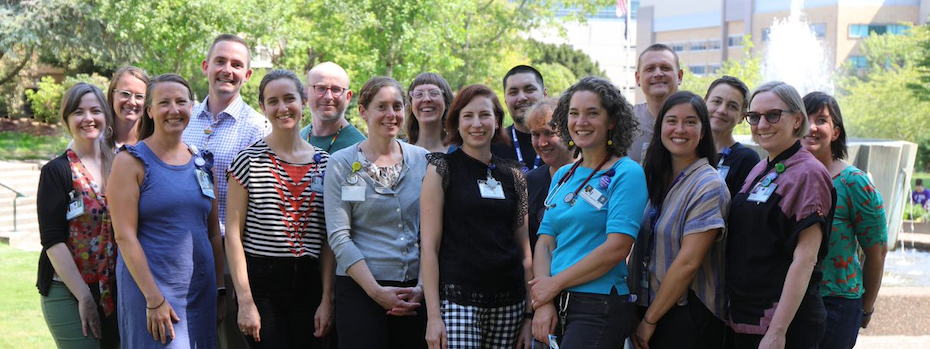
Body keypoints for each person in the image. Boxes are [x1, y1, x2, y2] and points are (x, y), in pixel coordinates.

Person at [530, 76, 648, 348]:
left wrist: (553, 284)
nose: (580, 122)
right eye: (574, 113)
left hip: (599, 306)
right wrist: (545, 300)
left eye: (592, 113)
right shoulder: (563, 174)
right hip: (556, 301)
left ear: (612, 121)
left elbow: (617, 248)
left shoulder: (627, 173)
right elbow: (545, 242)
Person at [109, 73, 225, 348]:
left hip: (199, 294)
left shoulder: (202, 163)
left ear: (191, 108)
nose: (174, 110)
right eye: (164, 103)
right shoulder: (131, 161)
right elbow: (125, 237)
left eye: (181, 102)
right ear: (149, 110)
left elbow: (212, 233)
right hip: (152, 294)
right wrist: (154, 299)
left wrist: (219, 291)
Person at [224, 70, 335, 348]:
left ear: (304, 101)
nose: (282, 108)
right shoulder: (247, 161)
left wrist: (326, 298)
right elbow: (234, 237)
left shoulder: (326, 164)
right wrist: (245, 301)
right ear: (262, 107)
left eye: (289, 99)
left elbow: (328, 239)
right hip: (262, 288)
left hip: (310, 288)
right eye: (273, 101)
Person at [421, 84, 534, 349]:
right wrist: (433, 317)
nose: (477, 124)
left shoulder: (515, 175)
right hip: (459, 302)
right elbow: (429, 248)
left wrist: (529, 315)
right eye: (468, 116)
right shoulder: (440, 169)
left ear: (496, 121)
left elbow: (525, 252)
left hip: (511, 303)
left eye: (484, 115)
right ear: (456, 122)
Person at [726, 81, 835, 349]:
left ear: (797, 120)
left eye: (773, 115)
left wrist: (777, 332)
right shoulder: (763, 166)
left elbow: (805, 260)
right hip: (745, 318)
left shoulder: (808, 173)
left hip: (783, 327)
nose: (762, 124)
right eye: (754, 116)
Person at [324, 76, 429, 348]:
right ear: (362, 111)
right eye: (382, 106)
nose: (391, 115)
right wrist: (376, 292)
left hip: (412, 294)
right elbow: (339, 237)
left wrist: (421, 288)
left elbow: (429, 233)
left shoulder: (423, 160)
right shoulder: (341, 163)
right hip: (360, 290)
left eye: (397, 106)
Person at [181, 33, 269, 349]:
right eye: (220, 61)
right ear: (206, 66)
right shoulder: (183, 118)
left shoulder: (259, 129)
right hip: (181, 254)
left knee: (229, 341)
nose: (226, 70)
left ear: (247, 74)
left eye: (236, 64)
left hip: (232, 261)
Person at [629, 91, 729, 348]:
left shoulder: (708, 184)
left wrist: (649, 320)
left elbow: (688, 262)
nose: (680, 129)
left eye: (690, 122)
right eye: (671, 120)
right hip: (649, 304)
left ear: (703, 131)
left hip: (688, 314)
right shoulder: (656, 178)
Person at [801, 92, 887, 349]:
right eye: (805, 118)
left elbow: (877, 251)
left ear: (835, 132)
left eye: (822, 120)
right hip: (791, 300)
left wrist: (866, 308)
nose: (811, 127)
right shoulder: (787, 177)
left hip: (835, 303)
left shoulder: (854, 182)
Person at [37, 83, 119, 348]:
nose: (88, 118)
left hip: (115, 289)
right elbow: (52, 240)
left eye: (95, 110)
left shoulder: (120, 165)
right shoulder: (56, 171)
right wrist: (84, 296)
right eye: (78, 112)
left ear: (106, 116)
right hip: (68, 289)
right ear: (66, 119)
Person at [525, 98, 574, 249]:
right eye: (535, 134)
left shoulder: (594, 177)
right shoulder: (529, 182)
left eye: (549, 133)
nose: (541, 143)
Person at [705, 76, 760, 199]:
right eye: (717, 101)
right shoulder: (688, 150)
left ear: (742, 116)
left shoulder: (747, 160)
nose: (722, 110)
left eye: (732, 106)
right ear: (704, 103)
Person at [630, 44, 683, 163]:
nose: (658, 74)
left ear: (679, 76)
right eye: (650, 69)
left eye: (665, 68)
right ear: (638, 78)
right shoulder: (624, 121)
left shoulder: (696, 122)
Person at [299, 62, 367, 153]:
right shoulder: (297, 139)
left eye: (336, 89)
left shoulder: (361, 149)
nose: (328, 97)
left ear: (348, 97)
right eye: (321, 88)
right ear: (306, 93)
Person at [492, 65, 548, 172]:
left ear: (544, 94)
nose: (521, 97)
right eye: (513, 92)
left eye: (529, 90)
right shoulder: (492, 144)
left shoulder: (563, 142)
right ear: (505, 100)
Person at [405, 72, 454, 153]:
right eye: (419, 94)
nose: (426, 99)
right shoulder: (399, 151)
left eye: (434, 93)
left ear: (446, 103)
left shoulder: (462, 152)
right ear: (411, 104)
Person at [106, 66, 149, 148]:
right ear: (112, 95)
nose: (132, 102)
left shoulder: (155, 145)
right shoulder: (94, 142)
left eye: (139, 96)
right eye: (125, 94)